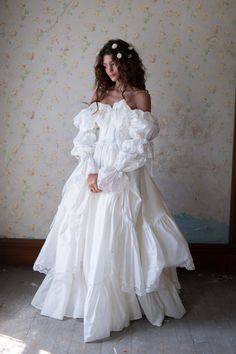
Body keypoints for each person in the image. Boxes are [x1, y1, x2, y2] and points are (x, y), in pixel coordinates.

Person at [31, 38, 195, 343]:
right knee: (87, 231)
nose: (110, 71)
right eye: (105, 66)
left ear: (127, 62)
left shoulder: (140, 97)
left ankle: (128, 298)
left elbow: (139, 147)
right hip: (93, 171)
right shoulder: (99, 93)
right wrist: (93, 170)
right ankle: (89, 298)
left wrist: (111, 173)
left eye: (115, 64)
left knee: (122, 229)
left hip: (125, 173)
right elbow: (86, 137)